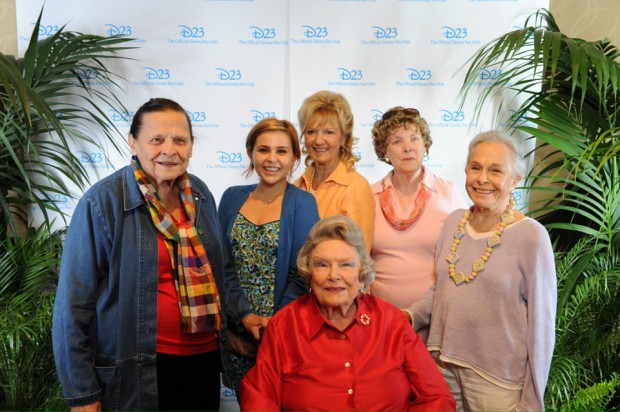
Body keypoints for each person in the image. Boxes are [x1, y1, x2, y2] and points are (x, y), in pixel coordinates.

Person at [52, 98, 226, 411]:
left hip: (203, 362)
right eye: (156, 139)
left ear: (191, 145)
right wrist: (83, 394)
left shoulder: (199, 193)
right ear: (133, 142)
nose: (169, 150)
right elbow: (72, 307)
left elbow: (219, 274)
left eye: (180, 140)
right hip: (140, 371)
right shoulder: (102, 202)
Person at [240, 215, 456, 411]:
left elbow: (436, 397)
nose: (334, 275)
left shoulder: (392, 322)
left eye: (346, 265)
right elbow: (258, 398)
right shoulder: (285, 326)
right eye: (322, 265)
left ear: (361, 274)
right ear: (309, 274)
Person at [411, 130, 556, 411]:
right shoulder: (454, 222)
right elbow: (441, 289)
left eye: (496, 170)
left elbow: (542, 327)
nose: (482, 179)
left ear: (515, 181)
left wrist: (531, 402)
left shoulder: (532, 236)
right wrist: (408, 315)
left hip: (497, 382)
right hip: (442, 367)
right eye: (475, 167)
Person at [218, 117, 320, 396]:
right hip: (237, 335)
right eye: (263, 150)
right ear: (251, 153)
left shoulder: (303, 203)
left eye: (281, 151)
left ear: (295, 157)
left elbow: (301, 274)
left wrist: (269, 331)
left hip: (282, 335)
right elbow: (222, 268)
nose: (271, 159)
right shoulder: (230, 197)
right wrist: (239, 322)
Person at [370, 106, 467, 332]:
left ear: (425, 146)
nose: (407, 147)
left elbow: (464, 257)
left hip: (433, 322)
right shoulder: (369, 196)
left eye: (414, 138)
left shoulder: (448, 195)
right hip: (379, 321)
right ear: (385, 151)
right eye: (397, 141)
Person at [294, 90, 375, 252]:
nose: (318, 140)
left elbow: (360, 255)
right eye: (311, 132)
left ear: (344, 137)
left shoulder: (355, 187)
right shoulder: (297, 186)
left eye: (328, 132)